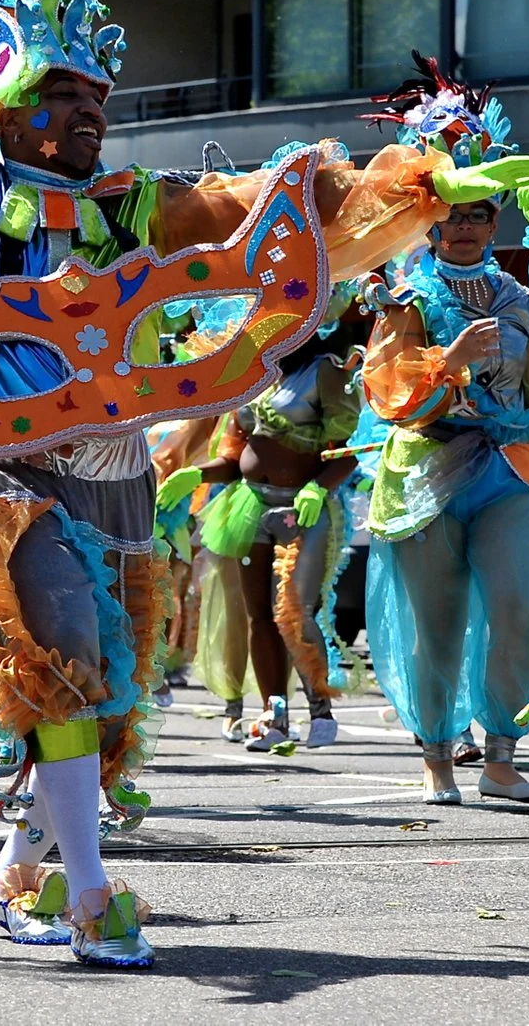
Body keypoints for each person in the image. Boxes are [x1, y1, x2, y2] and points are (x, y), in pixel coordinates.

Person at [0, 0, 523, 966]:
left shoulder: (133, 208)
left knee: (102, 694)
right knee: (61, 650)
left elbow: (265, 202)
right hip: (9, 471)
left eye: (98, 99)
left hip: (116, 476)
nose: (87, 116)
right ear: (8, 108)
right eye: (62, 96)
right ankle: (94, 898)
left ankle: (15, 873)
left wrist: (414, 186)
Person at [357, 61, 529, 808]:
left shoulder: (519, 298)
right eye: (456, 214)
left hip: (513, 472)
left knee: (520, 610)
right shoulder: (400, 294)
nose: (467, 228)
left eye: (482, 215)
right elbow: (385, 390)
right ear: (433, 216)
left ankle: (500, 756)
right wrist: (447, 363)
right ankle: (436, 755)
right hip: (425, 472)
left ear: (497, 220)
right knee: (436, 627)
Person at [158, 304, 363, 751]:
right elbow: (235, 458)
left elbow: (349, 451)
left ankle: (320, 709)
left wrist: (318, 489)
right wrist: (197, 475)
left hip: (303, 510)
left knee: (295, 612)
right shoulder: (250, 380)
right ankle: (274, 714)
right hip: (250, 507)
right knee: (259, 617)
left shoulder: (326, 372)